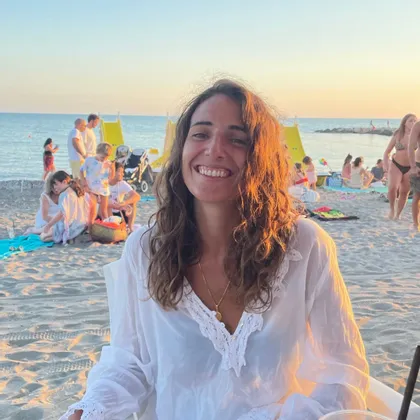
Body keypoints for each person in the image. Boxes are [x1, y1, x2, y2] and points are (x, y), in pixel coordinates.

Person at [62, 80, 368, 420]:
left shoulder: (305, 246)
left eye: (237, 139)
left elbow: (344, 373)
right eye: (201, 134)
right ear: (182, 149)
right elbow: (129, 363)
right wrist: (87, 412)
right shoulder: (146, 249)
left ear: (261, 157)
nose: (214, 149)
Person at [41, 171, 95, 244]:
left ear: (64, 182)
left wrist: (48, 225)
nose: (54, 187)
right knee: (49, 233)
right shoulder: (77, 190)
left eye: (56, 184)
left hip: (73, 228)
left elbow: (61, 214)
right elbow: (92, 204)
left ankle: (67, 238)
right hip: (82, 225)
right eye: (53, 185)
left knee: (44, 238)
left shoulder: (64, 194)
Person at [383, 114, 417, 220]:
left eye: (415, 121)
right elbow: (387, 152)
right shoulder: (398, 134)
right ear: (405, 122)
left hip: (410, 167)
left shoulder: (417, 136)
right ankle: (392, 210)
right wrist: (385, 165)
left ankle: (398, 214)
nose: (413, 123)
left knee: (404, 192)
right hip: (396, 165)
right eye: (410, 121)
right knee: (392, 188)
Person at [80, 142, 115, 220]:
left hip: (104, 189)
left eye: (106, 157)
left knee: (104, 212)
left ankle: (106, 225)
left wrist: (112, 169)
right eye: (102, 157)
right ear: (97, 153)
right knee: (92, 211)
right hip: (92, 188)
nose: (104, 159)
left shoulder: (108, 163)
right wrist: (84, 184)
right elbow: (81, 171)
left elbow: (111, 179)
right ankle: (90, 225)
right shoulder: (89, 160)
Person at [108, 162, 140, 231]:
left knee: (132, 203)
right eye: (120, 171)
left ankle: (130, 228)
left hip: (118, 212)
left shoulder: (122, 184)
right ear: (113, 172)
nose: (123, 174)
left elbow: (137, 196)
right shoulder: (104, 183)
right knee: (107, 204)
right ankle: (111, 227)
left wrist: (124, 203)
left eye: (123, 172)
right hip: (105, 213)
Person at [408, 120, 420, 231]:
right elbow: (411, 146)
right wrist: (413, 166)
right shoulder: (418, 125)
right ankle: (416, 224)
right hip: (418, 165)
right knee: (417, 195)